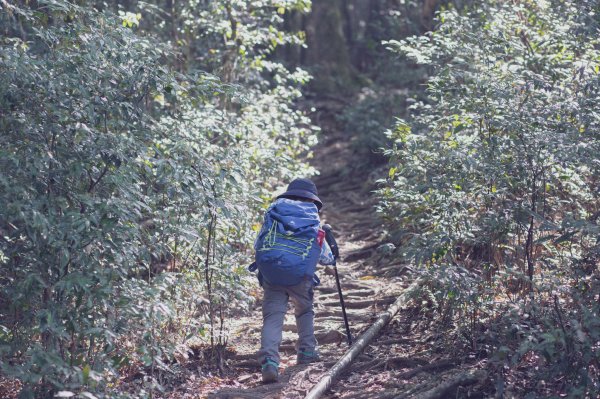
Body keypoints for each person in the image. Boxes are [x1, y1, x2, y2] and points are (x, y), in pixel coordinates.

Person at [251, 178, 335, 383]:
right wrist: (332, 250)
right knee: (304, 310)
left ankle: (270, 361)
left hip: (272, 272)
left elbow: (258, 244)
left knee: (272, 316)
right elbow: (325, 258)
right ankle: (306, 352)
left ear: (289, 194)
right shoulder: (312, 219)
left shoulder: (273, 213)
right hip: (300, 277)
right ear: (312, 199)